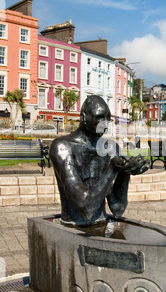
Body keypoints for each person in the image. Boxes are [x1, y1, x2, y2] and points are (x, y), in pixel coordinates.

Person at [50, 95, 149, 227]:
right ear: (83, 118)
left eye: (108, 119)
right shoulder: (62, 147)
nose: (105, 124)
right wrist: (113, 168)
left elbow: (118, 209)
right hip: (73, 224)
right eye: (99, 117)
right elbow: (85, 208)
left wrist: (126, 171)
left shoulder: (111, 147)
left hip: (102, 221)